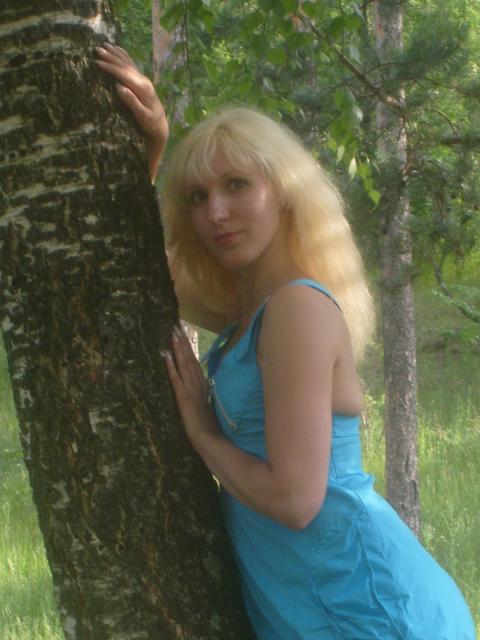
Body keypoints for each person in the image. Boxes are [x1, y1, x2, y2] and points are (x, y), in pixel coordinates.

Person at [95, 44, 476, 640]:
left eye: (237, 185)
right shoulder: (247, 314)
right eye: (197, 197)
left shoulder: (298, 308)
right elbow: (144, 266)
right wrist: (151, 151)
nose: (216, 212)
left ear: (283, 192)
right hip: (317, 605)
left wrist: (203, 434)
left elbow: (297, 500)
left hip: (365, 608)